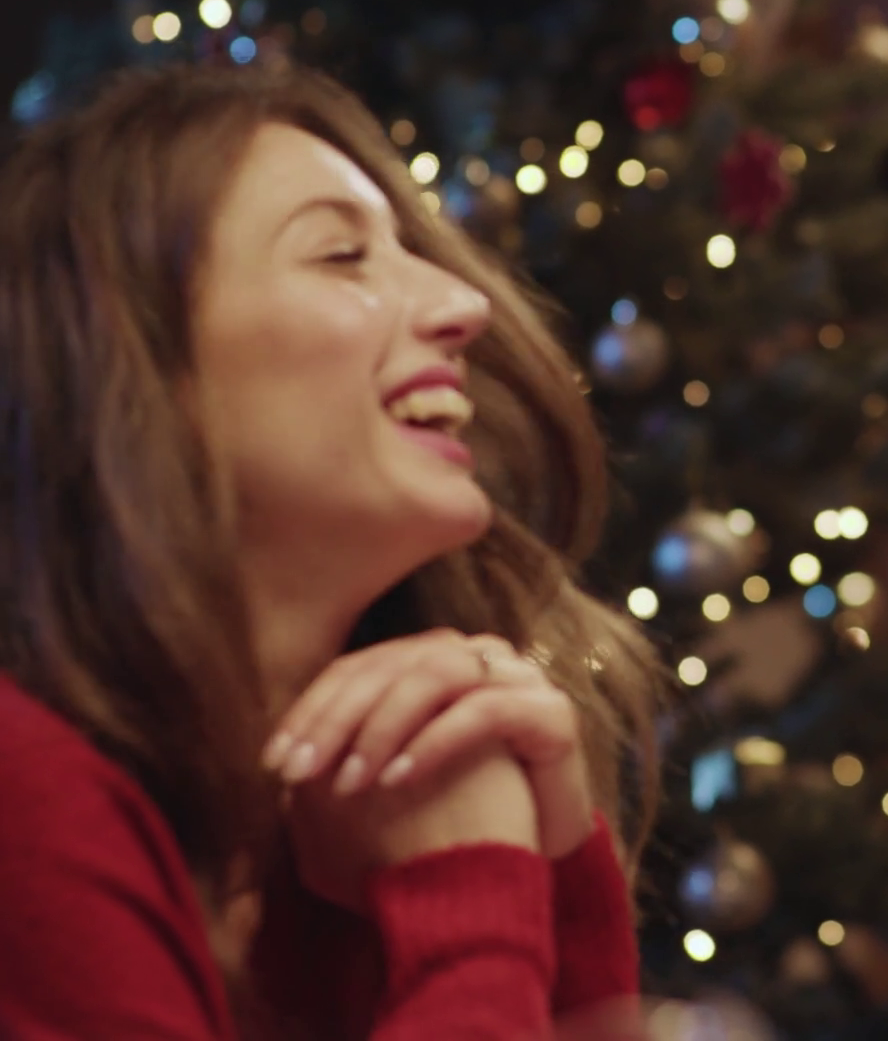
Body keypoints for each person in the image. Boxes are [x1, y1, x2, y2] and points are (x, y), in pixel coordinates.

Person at [0, 62, 665, 1039]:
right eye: (342, 256)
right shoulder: (22, 797)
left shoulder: (345, 825)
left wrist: (561, 863)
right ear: (138, 363)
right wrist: (470, 896)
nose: (463, 303)